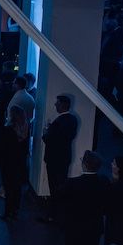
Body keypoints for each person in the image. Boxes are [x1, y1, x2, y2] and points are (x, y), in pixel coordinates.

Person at [52, 151, 110, 245]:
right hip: (94, 229)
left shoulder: (72, 183)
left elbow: (58, 197)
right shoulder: (104, 182)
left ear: (84, 164)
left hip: (74, 229)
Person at [41, 95, 78, 223]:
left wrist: (45, 132)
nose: (55, 105)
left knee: (54, 187)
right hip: (65, 157)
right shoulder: (73, 119)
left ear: (63, 105)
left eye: (57, 103)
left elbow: (49, 140)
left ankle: (52, 215)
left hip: (54, 159)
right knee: (61, 185)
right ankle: (60, 214)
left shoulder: (58, 122)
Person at [0, 105, 30, 221]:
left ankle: (7, 212)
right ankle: (15, 211)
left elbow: (3, 147)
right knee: (17, 188)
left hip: (8, 162)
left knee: (8, 188)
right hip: (20, 162)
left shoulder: (8, 129)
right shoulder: (25, 128)